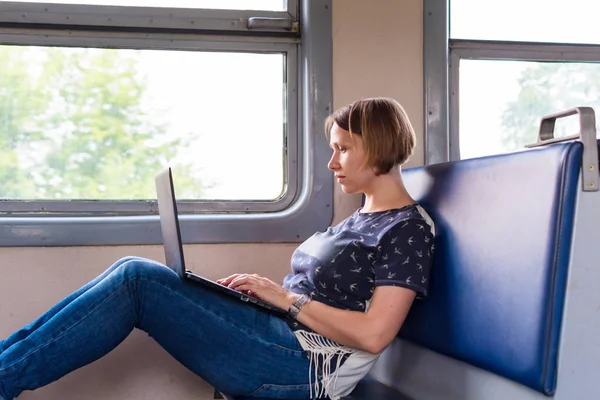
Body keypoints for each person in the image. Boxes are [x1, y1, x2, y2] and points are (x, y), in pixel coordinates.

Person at [0, 97, 435, 400]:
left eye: (343, 149)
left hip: (305, 369)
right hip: (282, 336)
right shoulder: (359, 219)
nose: (332, 162)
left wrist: (286, 298)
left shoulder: (407, 230)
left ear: (376, 148)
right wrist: (264, 296)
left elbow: (375, 334)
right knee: (131, 267)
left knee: (138, 281)